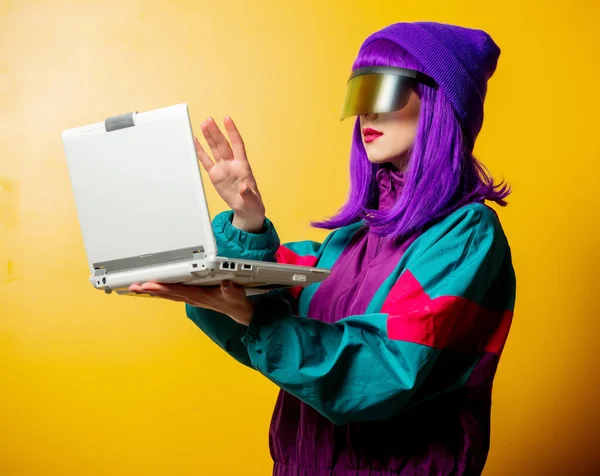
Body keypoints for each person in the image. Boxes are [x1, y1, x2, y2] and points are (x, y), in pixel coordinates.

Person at [131, 21, 516, 476]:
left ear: (439, 101)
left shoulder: (465, 236)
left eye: (384, 91)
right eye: (359, 95)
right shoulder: (351, 238)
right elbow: (271, 294)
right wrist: (246, 220)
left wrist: (255, 317)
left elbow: (383, 373)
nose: (366, 115)